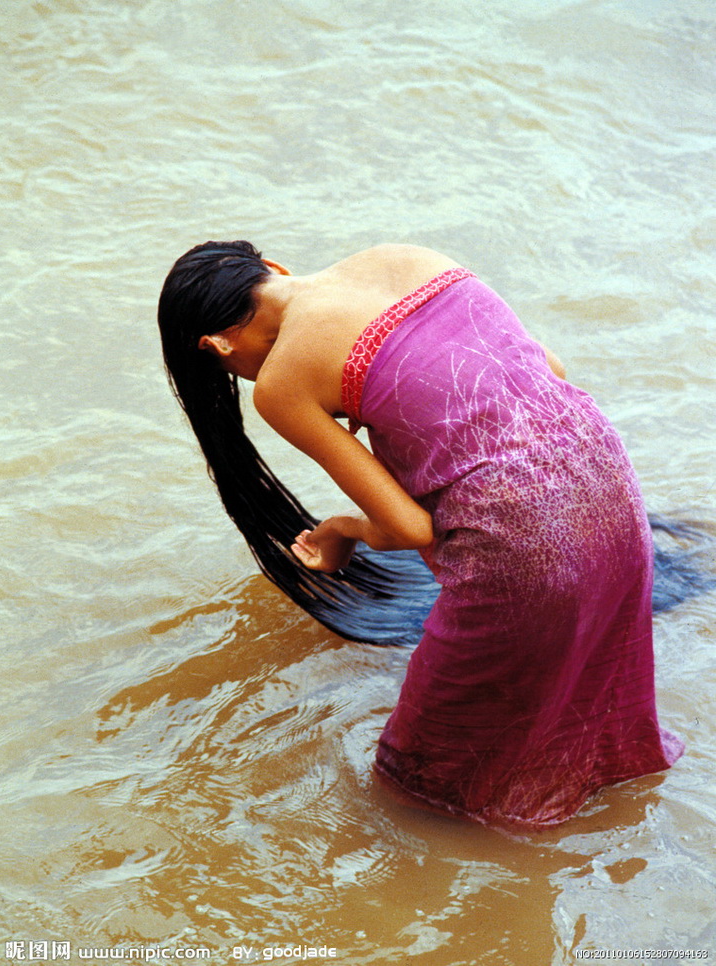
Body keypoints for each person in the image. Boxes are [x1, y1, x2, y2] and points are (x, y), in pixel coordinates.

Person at [158, 240, 683, 827]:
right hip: (611, 485)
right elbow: (549, 370)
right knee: (587, 714)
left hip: (518, 541)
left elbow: (410, 527)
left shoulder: (280, 384)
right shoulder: (403, 257)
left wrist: (343, 531)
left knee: (416, 785)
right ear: (274, 268)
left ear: (217, 346)